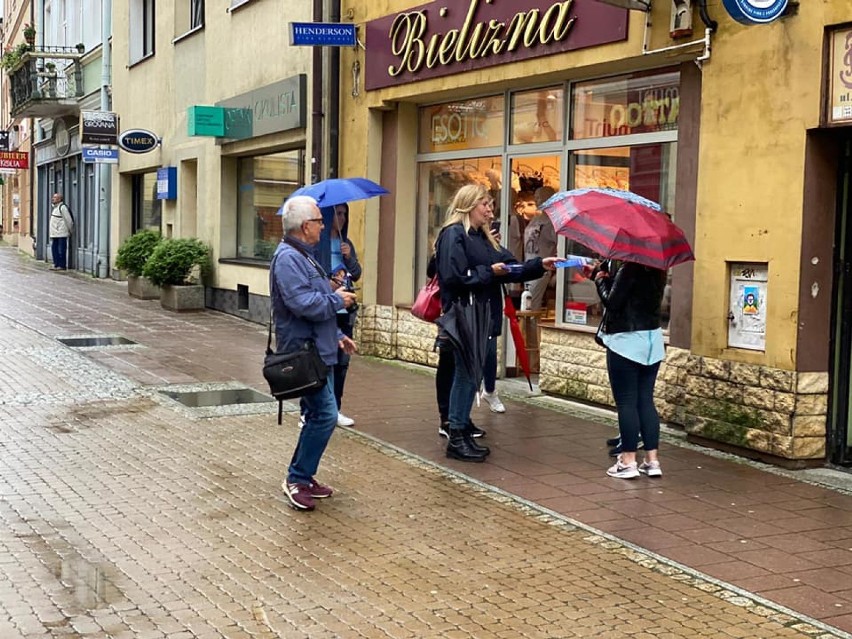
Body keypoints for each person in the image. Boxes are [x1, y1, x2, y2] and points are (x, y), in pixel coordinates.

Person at [435, 184, 558, 462]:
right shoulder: (453, 234)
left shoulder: (483, 237)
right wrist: (487, 272)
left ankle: (462, 430)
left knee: (472, 376)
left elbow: (509, 266)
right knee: (465, 376)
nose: (490, 210)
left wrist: (540, 265)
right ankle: (456, 434)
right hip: (464, 315)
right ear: (469, 205)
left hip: (482, 315)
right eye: (485, 204)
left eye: (490, 204)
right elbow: (452, 277)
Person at [271, 195, 357, 511]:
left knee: (317, 416)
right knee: (323, 416)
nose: (324, 225)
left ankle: (303, 477)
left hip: (321, 349)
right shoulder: (288, 258)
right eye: (320, 221)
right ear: (306, 226)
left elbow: (314, 297)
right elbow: (302, 304)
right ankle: (296, 477)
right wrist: (338, 301)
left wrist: (337, 335)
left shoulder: (304, 255)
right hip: (306, 354)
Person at [587, 259, 667, 479]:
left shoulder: (630, 266)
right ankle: (652, 461)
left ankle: (628, 461)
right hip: (652, 340)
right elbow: (633, 294)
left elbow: (612, 302)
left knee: (626, 402)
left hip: (626, 340)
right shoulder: (658, 267)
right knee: (645, 401)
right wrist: (606, 273)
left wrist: (599, 280)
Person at [308, 202, 362, 427]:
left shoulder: (344, 243)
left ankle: (335, 408)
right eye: (337, 214)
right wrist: (329, 282)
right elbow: (313, 277)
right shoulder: (317, 244)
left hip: (344, 309)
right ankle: (309, 410)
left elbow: (357, 274)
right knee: (320, 362)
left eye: (345, 214)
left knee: (342, 363)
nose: (341, 218)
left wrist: (349, 258)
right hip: (325, 308)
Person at [523, 186, 558, 311]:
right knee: (526, 302)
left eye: (539, 197)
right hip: (528, 264)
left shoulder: (552, 222)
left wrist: (556, 271)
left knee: (531, 303)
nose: (536, 200)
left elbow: (560, 246)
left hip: (542, 267)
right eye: (535, 197)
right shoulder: (536, 219)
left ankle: (530, 329)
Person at [49, 193, 74, 271]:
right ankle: (56, 264)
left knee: (61, 249)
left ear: (60, 199)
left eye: (55, 197)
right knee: (54, 249)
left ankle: (62, 265)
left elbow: (68, 220)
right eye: (53, 197)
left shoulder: (62, 207)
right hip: (55, 233)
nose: (53, 199)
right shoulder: (55, 208)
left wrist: (70, 230)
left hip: (61, 233)